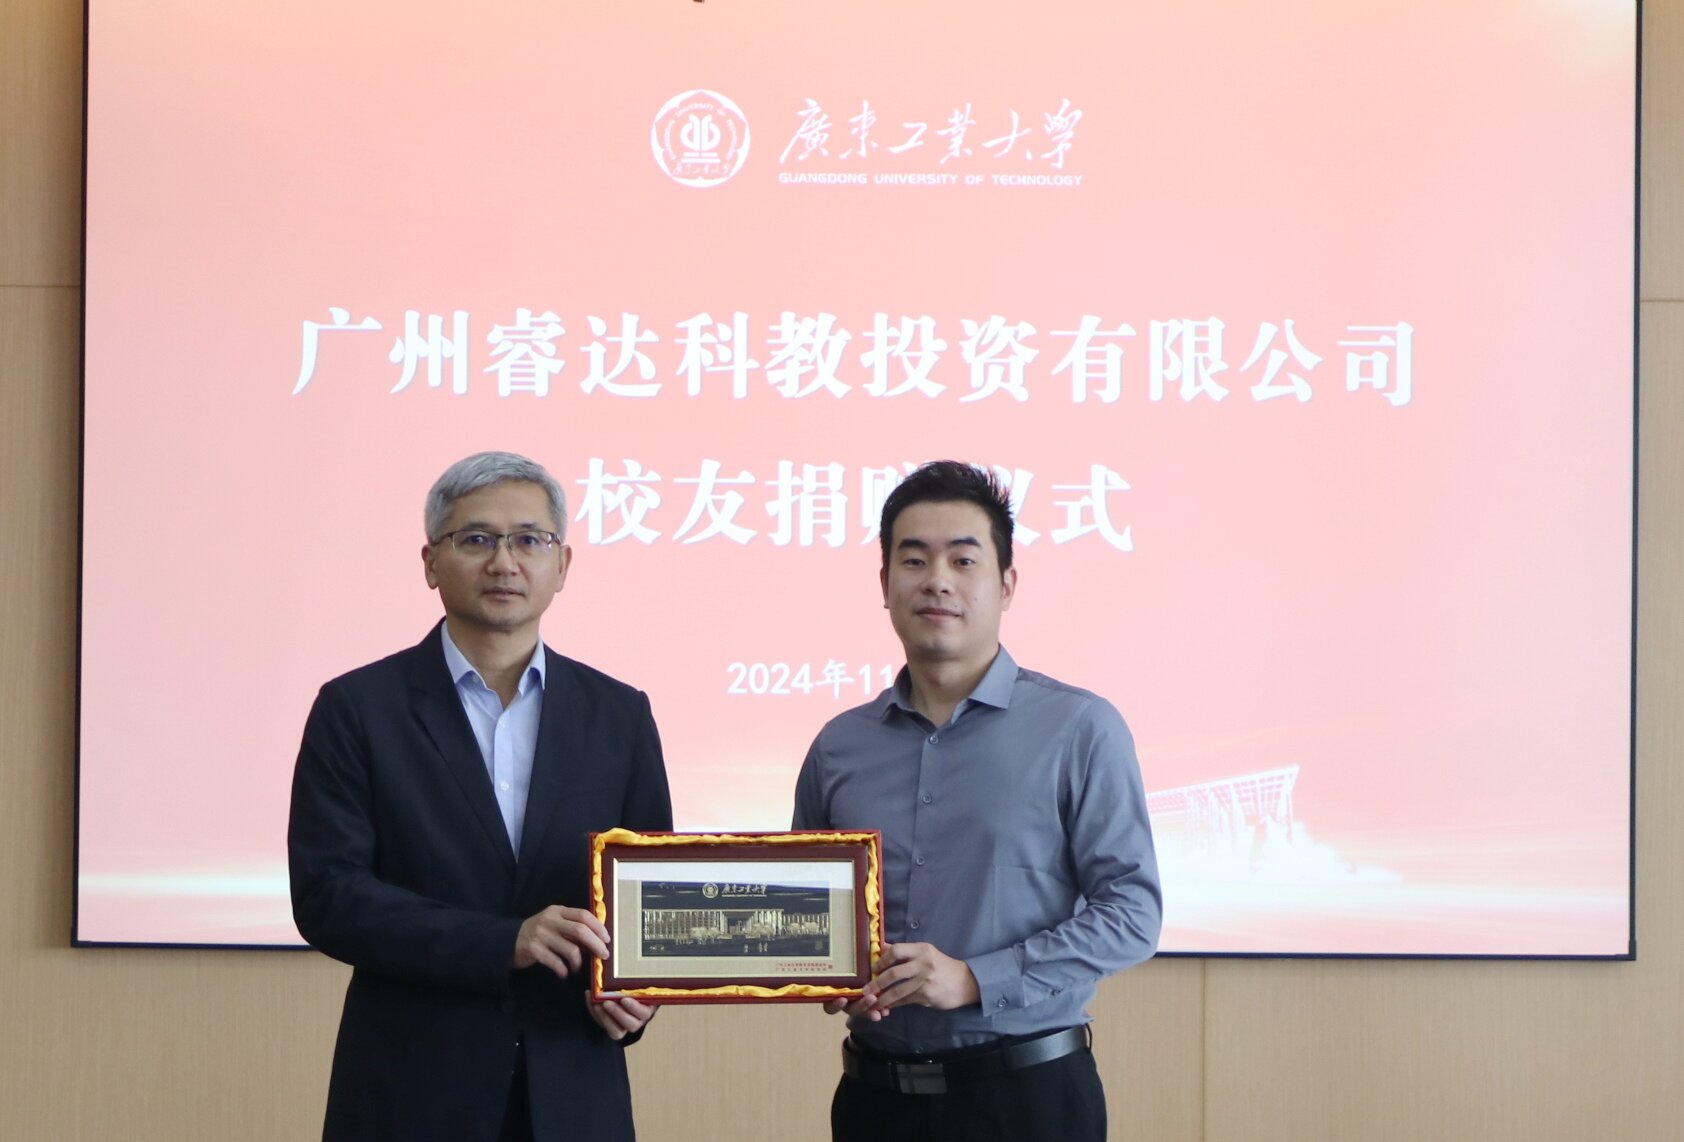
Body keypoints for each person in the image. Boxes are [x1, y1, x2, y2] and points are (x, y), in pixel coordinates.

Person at [288, 451, 672, 1142]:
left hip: (573, 1090)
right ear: (431, 563)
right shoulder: (357, 709)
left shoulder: (620, 715)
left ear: (563, 565)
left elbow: (650, 895)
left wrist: (638, 994)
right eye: (476, 539)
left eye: (529, 539)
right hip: (410, 1092)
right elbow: (328, 896)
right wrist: (505, 942)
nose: (504, 562)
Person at [793, 460, 1162, 1142]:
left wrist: (976, 979)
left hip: (1028, 1100)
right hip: (875, 1101)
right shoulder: (839, 746)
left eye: (963, 560)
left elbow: (1132, 913)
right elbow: (810, 914)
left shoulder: (1079, 728)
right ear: (884, 583)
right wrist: (826, 973)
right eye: (914, 559)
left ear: (1006, 583)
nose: (937, 580)